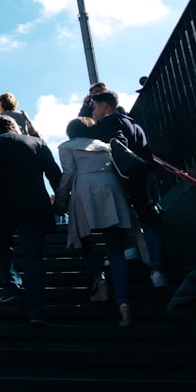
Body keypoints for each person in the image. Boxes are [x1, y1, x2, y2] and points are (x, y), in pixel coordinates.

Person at [0, 115, 62, 326]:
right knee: (33, 257)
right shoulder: (37, 142)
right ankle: (36, 311)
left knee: (1, 244)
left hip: (2, 208)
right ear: (15, 127)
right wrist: (60, 200)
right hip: (34, 206)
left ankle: (12, 286)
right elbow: (54, 174)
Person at [54, 117, 134, 326]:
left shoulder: (66, 147)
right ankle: (124, 304)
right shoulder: (105, 146)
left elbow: (69, 174)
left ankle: (99, 278)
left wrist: (60, 200)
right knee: (115, 250)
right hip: (111, 188)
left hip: (85, 190)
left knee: (80, 237)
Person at [91, 90, 169, 289]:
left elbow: (118, 144)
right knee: (149, 220)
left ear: (105, 105)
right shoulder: (133, 122)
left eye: (95, 106)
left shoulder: (109, 121)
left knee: (127, 218)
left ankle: (132, 252)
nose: (94, 111)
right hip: (147, 173)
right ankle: (156, 268)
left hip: (130, 176)